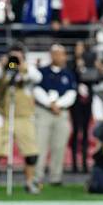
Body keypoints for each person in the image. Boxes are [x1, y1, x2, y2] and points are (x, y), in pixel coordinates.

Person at [0, 43, 42, 194]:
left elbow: (38, 77)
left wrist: (23, 66)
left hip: (24, 117)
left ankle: (30, 183)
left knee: (31, 152)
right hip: (4, 115)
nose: (15, 60)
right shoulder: (2, 69)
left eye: (18, 56)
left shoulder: (28, 69)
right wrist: (1, 66)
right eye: (13, 56)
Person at [33, 44, 77, 186]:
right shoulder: (42, 72)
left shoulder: (68, 74)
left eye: (61, 54)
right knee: (40, 145)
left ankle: (56, 177)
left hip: (61, 113)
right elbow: (37, 90)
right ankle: (37, 176)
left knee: (59, 146)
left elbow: (72, 93)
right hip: (44, 112)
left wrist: (58, 105)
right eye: (56, 54)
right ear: (51, 55)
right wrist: (49, 104)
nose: (59, 57)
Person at [70, 41, 103, 174]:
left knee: (85, 131)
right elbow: (72, 78)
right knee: (76, 131)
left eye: (81, 48)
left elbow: (96, 80)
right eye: (77, 48)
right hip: (75, 102)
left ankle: (84, 163)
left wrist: (100, 70)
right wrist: (78, 67)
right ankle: (74, 163)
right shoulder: (72, 64)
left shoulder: (89, 63)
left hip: (87, 101)